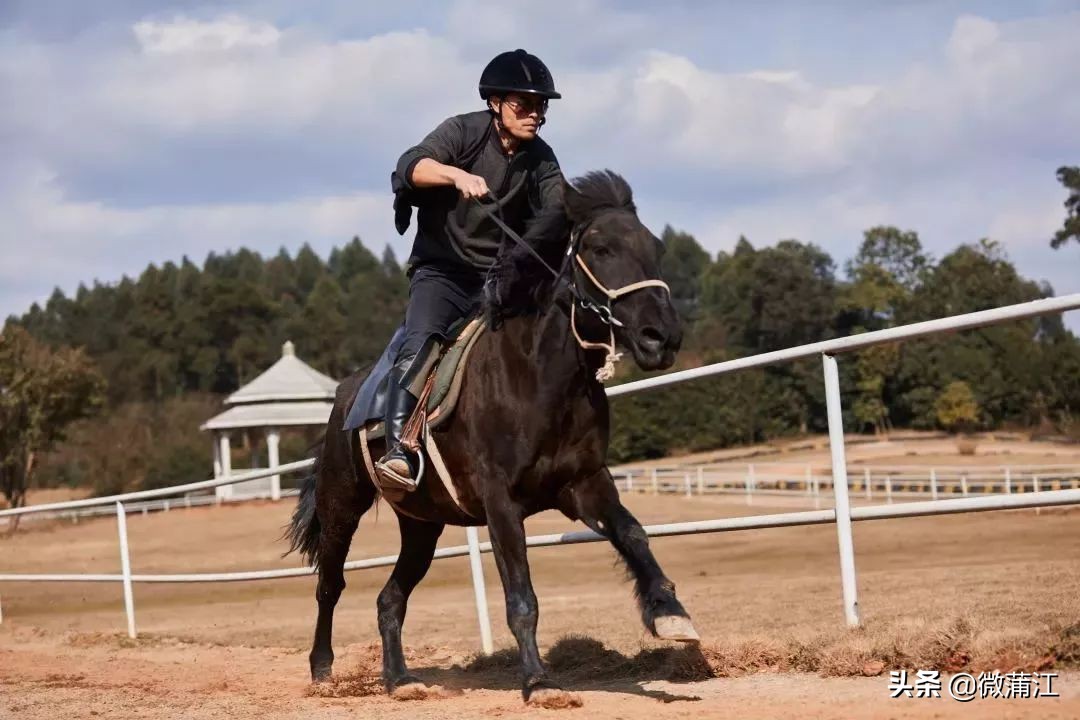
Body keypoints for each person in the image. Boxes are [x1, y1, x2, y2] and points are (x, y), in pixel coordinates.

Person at [373, 49, 565, 490]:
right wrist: (454, 176)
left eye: (541, 108)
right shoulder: (463, 131)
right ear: (496, 104)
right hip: (443, 274)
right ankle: (399, 450)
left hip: (501, 280)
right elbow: (411, 165)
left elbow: (559, 207)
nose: (535, 115)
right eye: (524, 105)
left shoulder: (542, 157)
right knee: (420, 340)